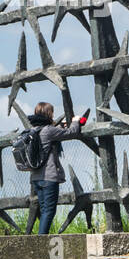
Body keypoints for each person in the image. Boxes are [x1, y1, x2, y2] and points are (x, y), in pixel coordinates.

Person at [28, 101, 85, 235]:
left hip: (35, 178)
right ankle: (41, 242)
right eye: (52, 112)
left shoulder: (33, 130)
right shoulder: (48, 130)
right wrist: (76, 121)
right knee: (49, 211)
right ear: (49, 113)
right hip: (49, 178)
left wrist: (59, 126)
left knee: (43, 210)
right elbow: (72, 133)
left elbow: (50, 135)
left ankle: (40, 241)